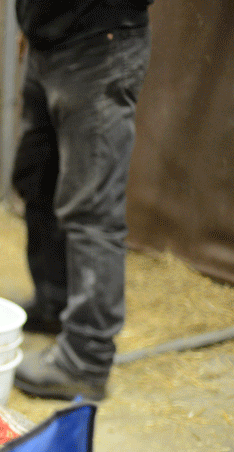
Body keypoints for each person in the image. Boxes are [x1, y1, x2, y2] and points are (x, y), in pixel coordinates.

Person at [11, 0, 153, 401]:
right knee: (35, 179)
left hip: (100, 45)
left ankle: (86, 359)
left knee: (92, 210)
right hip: (47, 44)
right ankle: (54, 302)